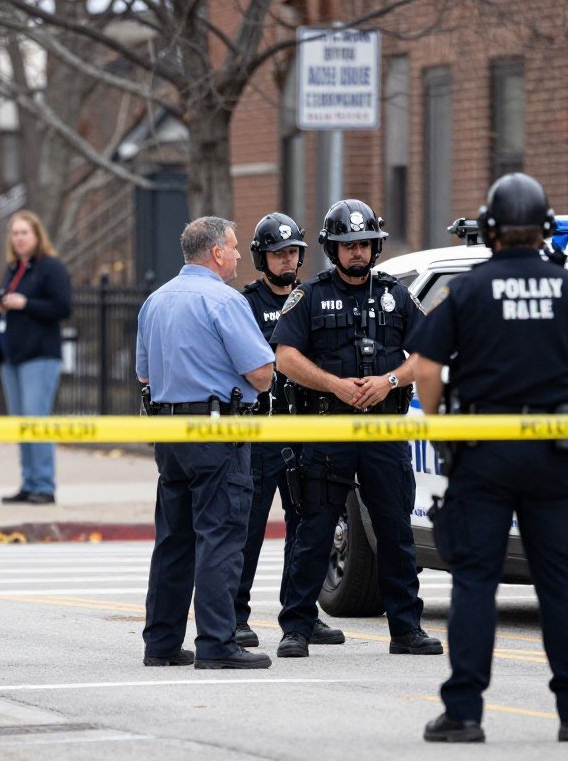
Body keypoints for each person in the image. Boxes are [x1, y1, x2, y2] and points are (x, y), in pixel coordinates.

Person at [408, 173, 568, 743]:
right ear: (544, 229)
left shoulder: (469, 290)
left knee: (476, 581)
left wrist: (442, 421)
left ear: (492, 231)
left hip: (481, 454)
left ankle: (465, 713)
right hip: (554, 455)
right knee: (561, 581)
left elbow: (426, 370)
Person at [270, 199, 441, 660]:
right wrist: (335, 386)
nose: (357, 253)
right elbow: (285, 356)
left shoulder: (396, 295)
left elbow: (429, 354)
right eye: (348, 245)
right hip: (329, 431)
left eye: (365, 244)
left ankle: (406, 628)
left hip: (384, 431)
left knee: (395, 531)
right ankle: (298, 627)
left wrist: (389, 381)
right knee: (315, 530)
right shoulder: (309, 296)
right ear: (331, 248)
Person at [136, 216, 275, 671]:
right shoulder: (225, 301)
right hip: (218, 433)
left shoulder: (155, 302)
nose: (238, 255)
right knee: (220, 535)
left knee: (174, 539)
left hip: (170, 433)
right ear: (216, 252)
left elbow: (144, 375)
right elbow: (261, 374)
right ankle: (217, 642)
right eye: (234, 248)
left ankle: (161, 643)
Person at [231, 212, 323, 649]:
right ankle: (234, 615)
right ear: (261, 259)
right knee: (248, 525)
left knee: (306, 524)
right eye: (278, 254)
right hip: (261, 432)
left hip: (303, 429)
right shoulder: (246, 304)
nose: (287, 261)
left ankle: (302, 613)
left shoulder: (311, 299)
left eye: (293, 253)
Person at [0, 211, 72, 505]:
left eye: (24, 232)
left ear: (37, 236)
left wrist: (25, 303)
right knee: (21, 423)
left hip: (39, 356)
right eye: (15, 233)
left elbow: (63, 307)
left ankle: (44, 485)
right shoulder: (14, 269)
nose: (19, 238)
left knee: (37, 421)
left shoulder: (50, 268)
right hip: (12, 356)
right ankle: (28, 482)